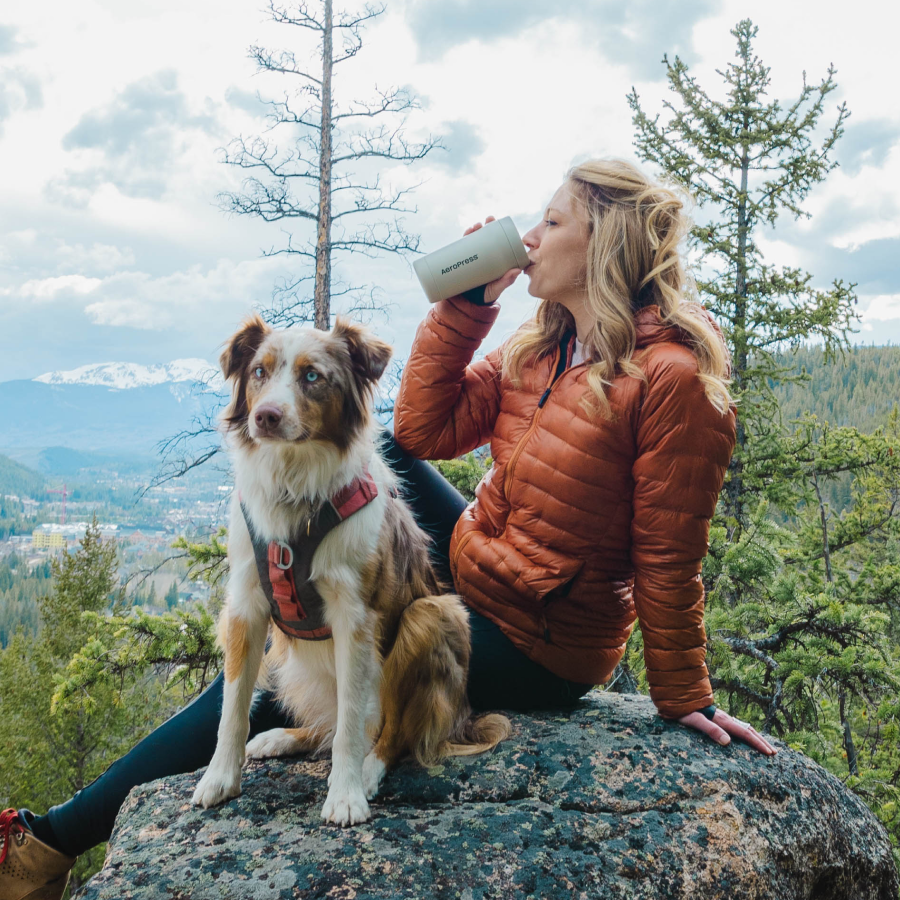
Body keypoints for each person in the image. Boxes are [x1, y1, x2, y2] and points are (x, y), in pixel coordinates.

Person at [0, 157, 775, 900]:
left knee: (302, 659)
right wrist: (466, 306)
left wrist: (683, 695)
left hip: (539, 633)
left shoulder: (673, 379)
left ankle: (46, 844)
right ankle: (302, 617)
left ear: (603, 240)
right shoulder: (544, 344)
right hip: (479, 567)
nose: (528, 236)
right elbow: (422, 425)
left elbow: (670, 555)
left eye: (550, 221)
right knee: (353, 524)